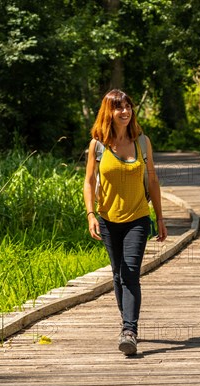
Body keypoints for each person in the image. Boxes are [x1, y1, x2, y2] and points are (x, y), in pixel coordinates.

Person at [83, 89, 167, 356]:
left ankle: (129, 330)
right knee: (117, 275)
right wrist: (91, 214)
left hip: (138, 218)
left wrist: (161, 218)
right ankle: (126, 322)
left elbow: (152, 180)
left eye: (128, 106)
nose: (125, 111)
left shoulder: (142, 142)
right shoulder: (98, 145)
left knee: (130, 273)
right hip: (108, 219)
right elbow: (88, 182)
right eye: (119, 107)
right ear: (109, 112)